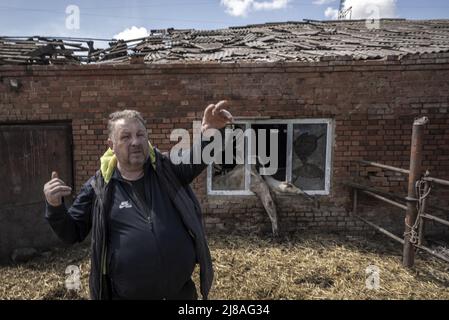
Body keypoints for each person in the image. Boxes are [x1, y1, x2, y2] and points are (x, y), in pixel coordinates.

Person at [43, 101, 233, 300]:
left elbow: (196, 158)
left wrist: (211, 133)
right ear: (111, 145)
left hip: (181, 294)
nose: (135, 142)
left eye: (140, 134)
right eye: (125, 136)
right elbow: (72, 232)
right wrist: (55, 207)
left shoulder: (167, 169)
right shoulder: (98, 188)